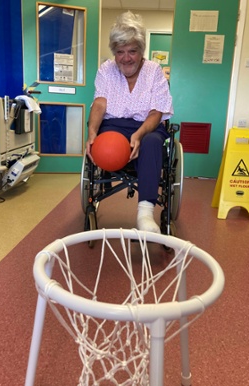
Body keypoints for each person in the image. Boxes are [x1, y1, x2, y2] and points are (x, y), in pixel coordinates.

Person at [86, 11, 173, 233]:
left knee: (152, 142)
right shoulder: (106, 69)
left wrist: (139, 134)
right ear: (114, 52)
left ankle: (145, 215)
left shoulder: (154, 71)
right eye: (120, 52)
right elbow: (99, 103)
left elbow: (156, 112)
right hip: (114, 125)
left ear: (141, 51)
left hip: (147, 126)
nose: (126, 58)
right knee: (106, 139)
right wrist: (92, 132)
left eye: (132, 51)